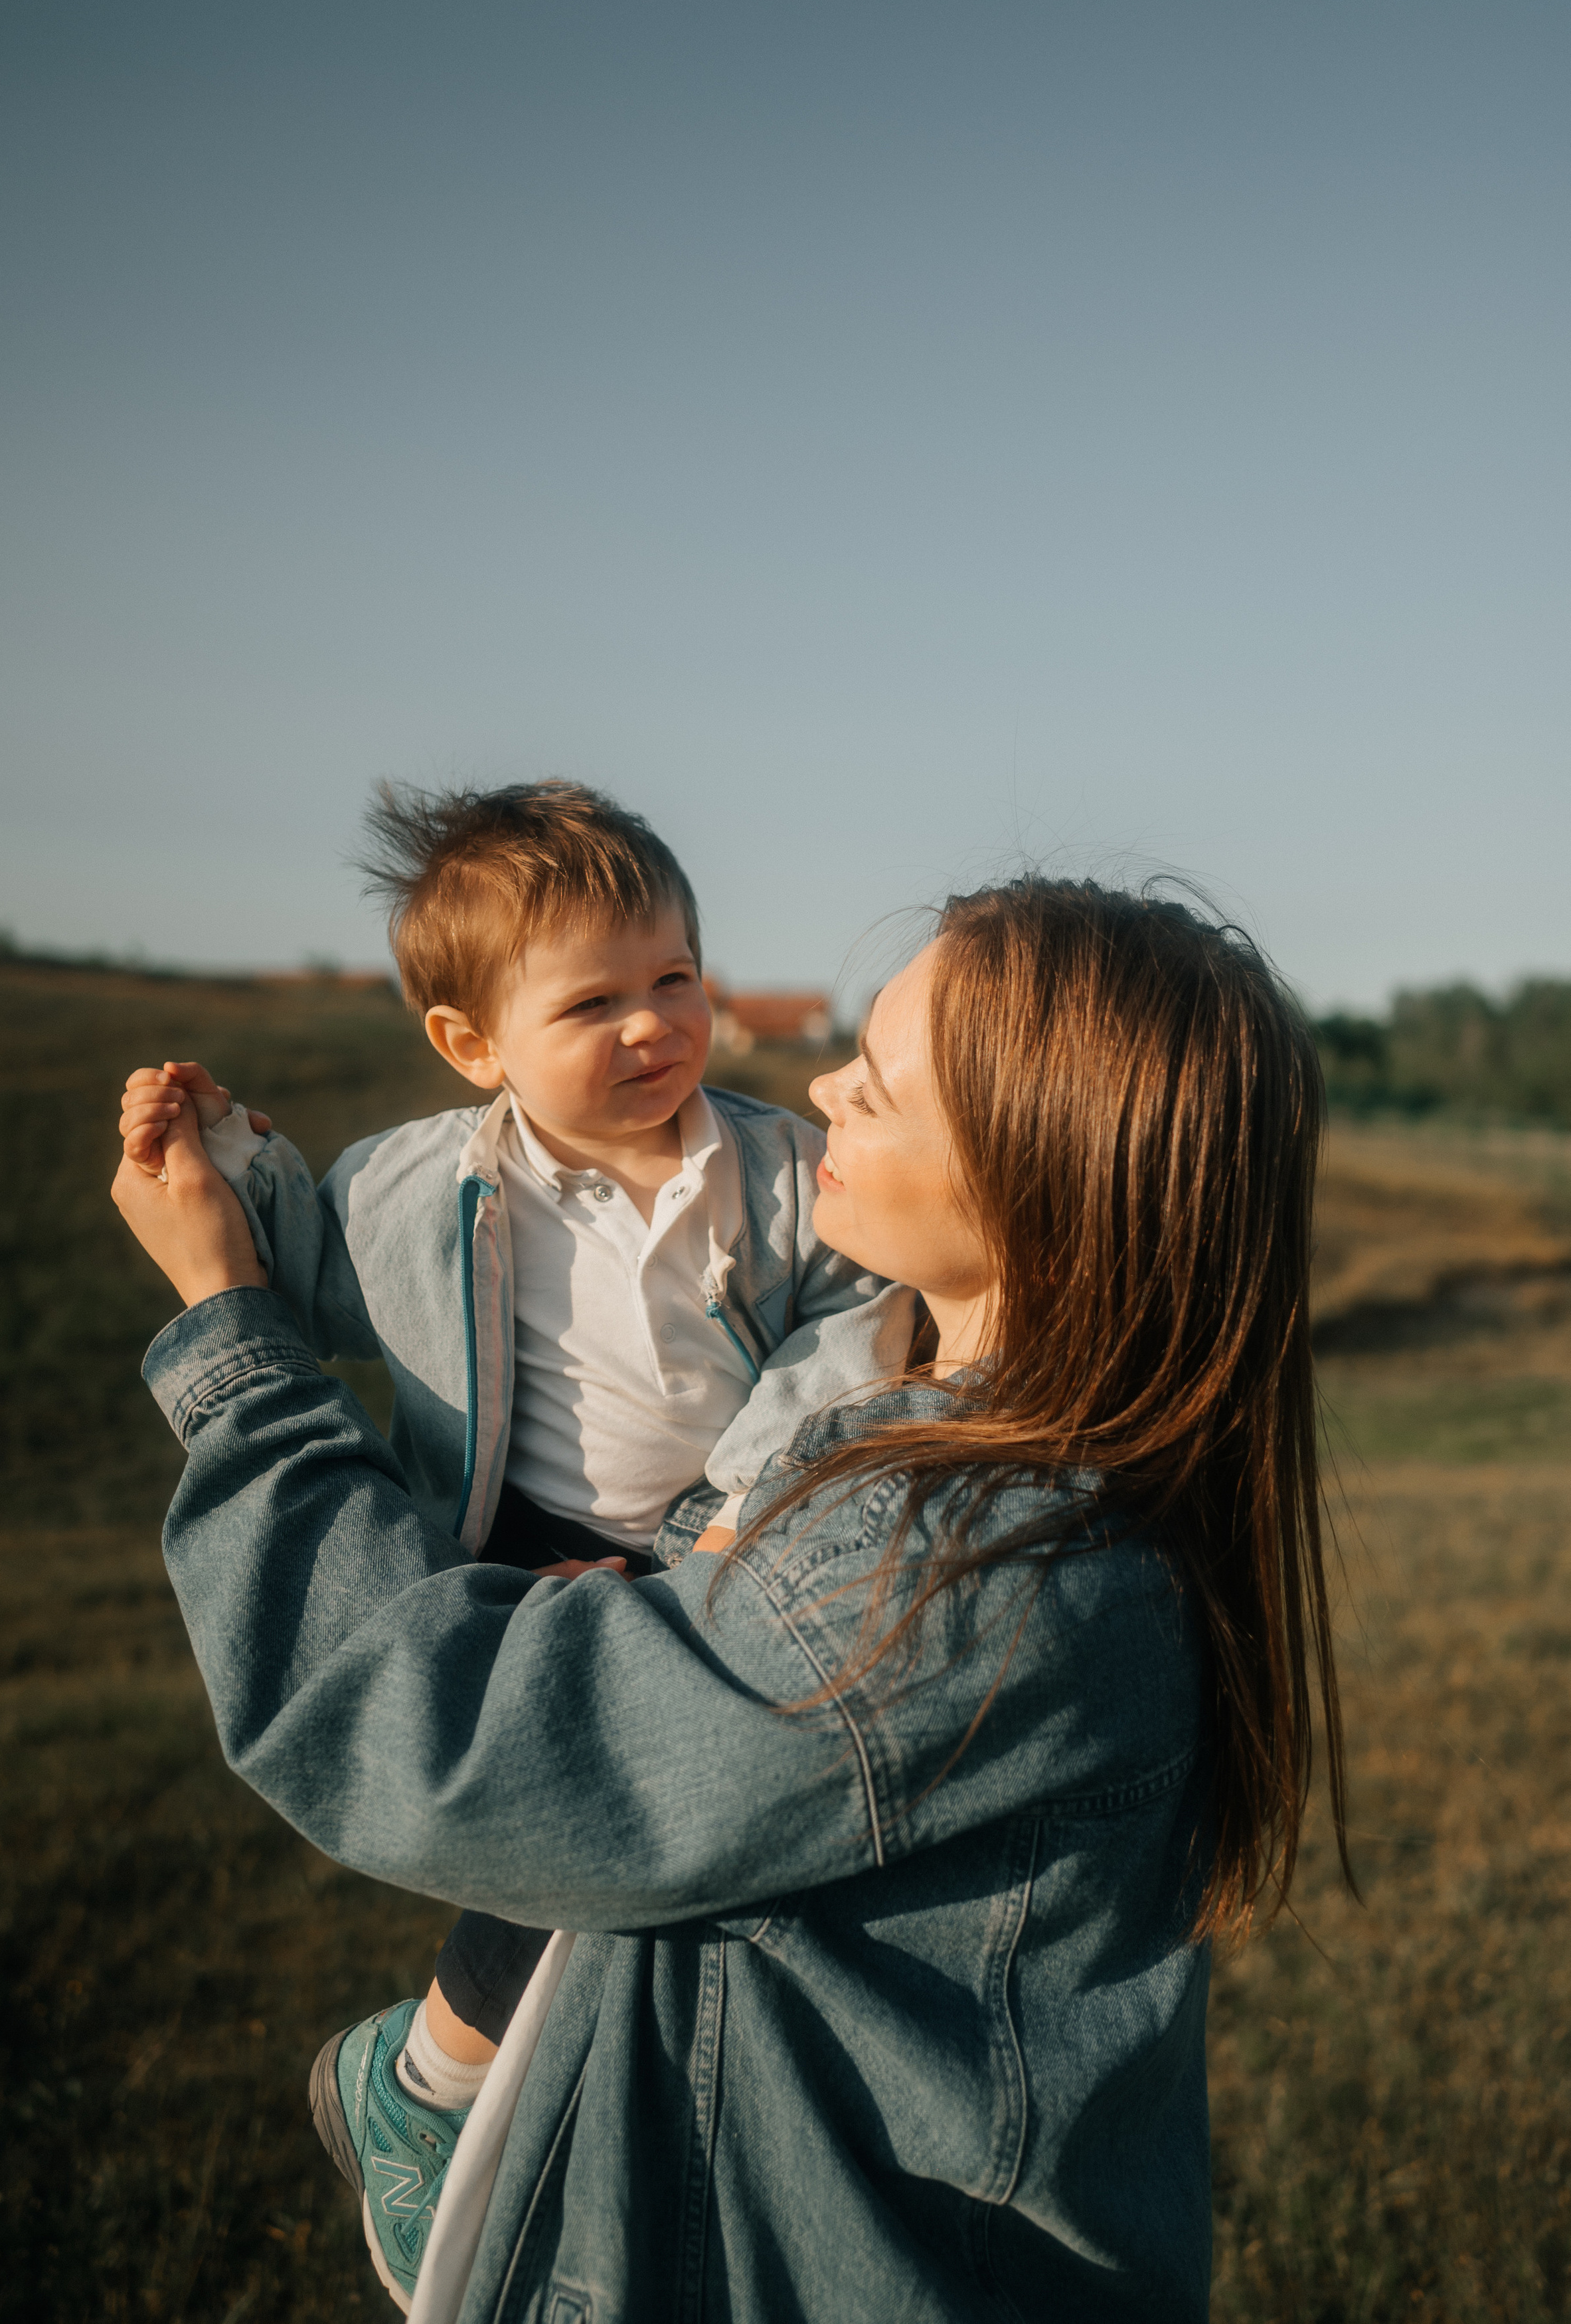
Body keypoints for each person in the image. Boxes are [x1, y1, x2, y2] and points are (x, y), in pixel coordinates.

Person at [114, 875, 1351, 2324]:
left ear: (1035, 1182)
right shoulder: (943, 1468)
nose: (822, 1085)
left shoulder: (968, 1574)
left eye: (877, 1091)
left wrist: (229, 1336)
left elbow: (444, 1744)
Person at [116, 778, 910, 2303]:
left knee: (661, 1826)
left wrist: (714, 1523)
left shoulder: (772, 1175)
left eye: (675, 978)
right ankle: (425, 2090)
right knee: (574, 1814)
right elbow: (303, 1273)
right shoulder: (426, 1185)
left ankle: (475, 2090)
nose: (652, 1027)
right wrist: (229, 1160)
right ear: (471, 1044)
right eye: (594, 1001)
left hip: (721, 1531)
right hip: (517, 1538)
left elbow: (843, 1336)